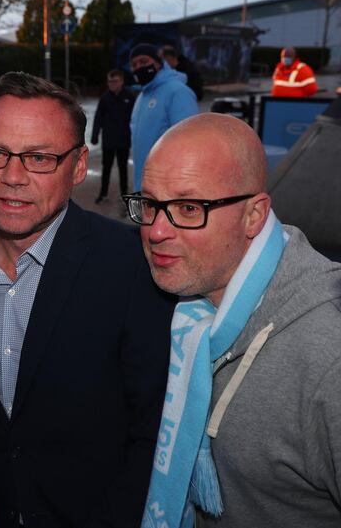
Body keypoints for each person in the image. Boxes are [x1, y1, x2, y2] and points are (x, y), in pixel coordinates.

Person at [0, 71, 176, 527]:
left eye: (39, 158)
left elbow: (153, 431)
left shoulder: (134, 266)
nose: (12, 177)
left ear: (78, 166)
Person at [123, 113, 341, 527]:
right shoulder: (189, 306)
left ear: (254, 215)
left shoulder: (328, 354)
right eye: (150, 204)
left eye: (189, 208)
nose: (155, 230)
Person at [129, 43, 198, 192]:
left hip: (168, 189)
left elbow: (190, 143)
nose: (138, 67)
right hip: (145, 186)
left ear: (158, 63)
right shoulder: (142, 96)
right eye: (134, 64)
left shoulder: (178, 92)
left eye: (144, 61)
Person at [91, 69, 135, 204]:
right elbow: (98, 117)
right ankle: (103, 194)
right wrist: (95, 135)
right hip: (108, 140)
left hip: (123, 140)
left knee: (123, 169)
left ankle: (124, 195)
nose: (111, 84)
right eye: (109, 81)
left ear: (121, 81)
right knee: (106, 168)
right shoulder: (105, 98)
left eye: (114, 81)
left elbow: (135, 118)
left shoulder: (130, 97)